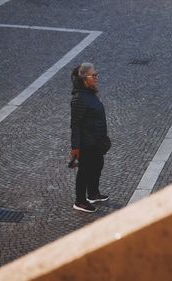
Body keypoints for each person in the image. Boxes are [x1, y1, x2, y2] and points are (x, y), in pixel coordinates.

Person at [70, 62, 111, 213]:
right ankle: (80, 201)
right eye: (93, 76)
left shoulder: (89, 92)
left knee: (98, 165)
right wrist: (75, 147)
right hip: (87, 143)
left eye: (96, 74)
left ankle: (93, 193)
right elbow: (75, 125)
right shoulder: (79, 98)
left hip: (96, 141)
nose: (96, 78)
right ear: (84, 78)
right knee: (84, 171)